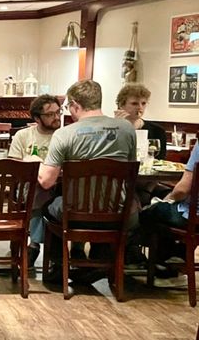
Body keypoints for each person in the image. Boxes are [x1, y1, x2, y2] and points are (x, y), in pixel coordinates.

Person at [38, 80, 137, 279]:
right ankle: (103, 261)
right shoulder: (127, 129)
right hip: (117, 214)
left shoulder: (64, 134)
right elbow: (131, 166)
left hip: (75, 214)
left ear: (75, 105)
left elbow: (47, 182)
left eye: (68, 107)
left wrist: (35, 162)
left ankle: (58, 267)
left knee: (49, 206)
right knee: (136, 204)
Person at [8, 94, 62, 264]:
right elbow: (14, 166)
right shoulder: (23, 136)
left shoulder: (65, 135)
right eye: (50, 114)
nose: (56, 117)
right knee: (40, 189)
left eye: (58, 112)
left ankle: (43, 246)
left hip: (63, 184)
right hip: (31, 185)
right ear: (37, 118)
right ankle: (38, 245)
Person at [139, 139, 198, 288]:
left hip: (193, 216)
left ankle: (160, 265)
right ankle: (177, 257)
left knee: (151, 211)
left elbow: (183, 189)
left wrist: (168, 199)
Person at [114, 84, 167, 159]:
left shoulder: (157, 130)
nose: (140, 107)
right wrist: (117, 128)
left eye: (143, 103)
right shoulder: (111, 129)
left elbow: (161, 160)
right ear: (121, 105)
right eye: (134, 103)